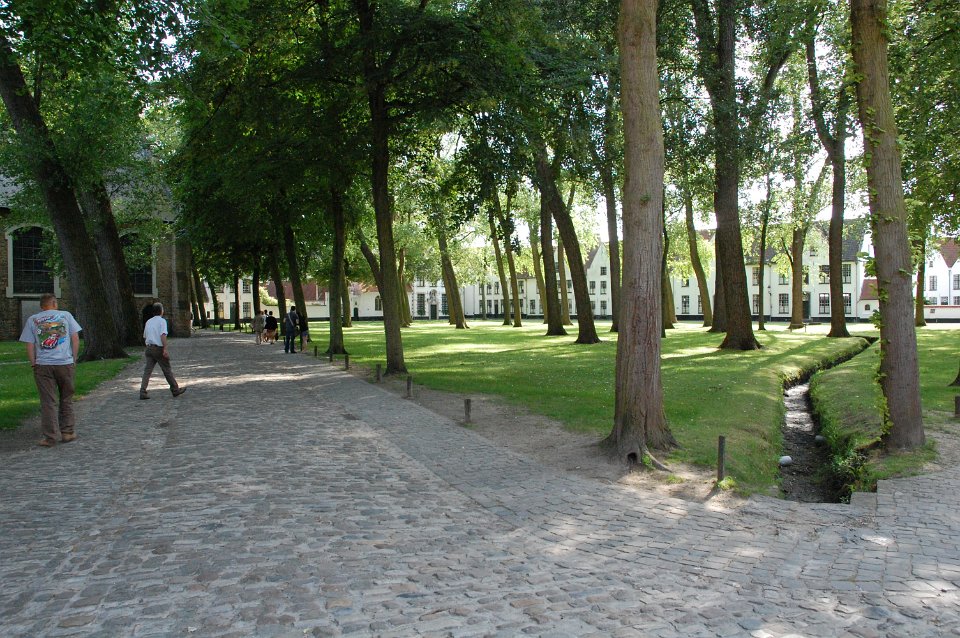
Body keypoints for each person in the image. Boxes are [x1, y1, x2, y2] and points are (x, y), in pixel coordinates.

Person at [19, 293, 82, 447]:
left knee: (48, 401)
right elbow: (75, 339)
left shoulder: (33, 319)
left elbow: (29, 344)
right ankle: (67, 432)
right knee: (66, 398)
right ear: (54, 303)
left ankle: (50, 437)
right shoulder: (66, 316)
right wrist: (73, 358)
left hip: (43, 364)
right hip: (64, 363)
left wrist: (33, 363)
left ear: (41, 306)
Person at [140, 302, 187, 400]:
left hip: (149, 348)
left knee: (147, 371)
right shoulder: (162, 321)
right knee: (166, 369)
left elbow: (145, 336)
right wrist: (165, 348)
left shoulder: (148, 322)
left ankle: (142, 391)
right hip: (158, 348)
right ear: (161, 311)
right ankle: (175, 389)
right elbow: (163, 335)